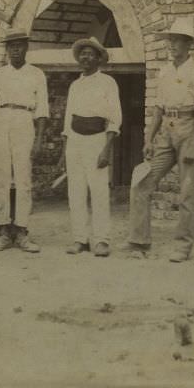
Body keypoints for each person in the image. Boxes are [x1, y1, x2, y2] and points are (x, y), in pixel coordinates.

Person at [123, 16, 194, 263]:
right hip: (166, 129)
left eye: (178, 41)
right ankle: (139, 242)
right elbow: (158, 108)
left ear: (189, 44)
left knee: (186, 191)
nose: (172, 45)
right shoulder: (164, 72)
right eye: (171, 40)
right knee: (142, 182)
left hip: (189, 127)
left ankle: (183, 245)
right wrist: (148, 139)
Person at [0, 29, 48, 253]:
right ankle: (3, 231)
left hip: (24, 121)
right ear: (7, 49)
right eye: (11, 46)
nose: (16, 49)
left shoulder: (37, 74)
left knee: (23, 179)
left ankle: (21, 231)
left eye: (20, 45)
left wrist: (39, 140)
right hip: (1, 121)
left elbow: (42, 110)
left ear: (26, 47)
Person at [58, 37, 122, 258]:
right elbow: (68, 119)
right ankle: (80, 239)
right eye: (82, 53)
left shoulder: (108, 83)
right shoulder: (75, 85)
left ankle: (101, 240)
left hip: (97, 139)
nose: (85, 57)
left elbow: (115, 119)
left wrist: (107, 148)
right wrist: (64, 149)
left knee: (99, 191)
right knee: (75, 191)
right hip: (75, 141)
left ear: (98, 58)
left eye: (90, 54)